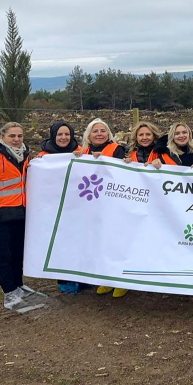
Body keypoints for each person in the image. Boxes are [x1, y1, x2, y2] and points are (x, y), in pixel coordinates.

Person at [0, 122, 47, 311]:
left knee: (18, 253)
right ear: (2, 136)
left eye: (19, 136)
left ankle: (18, 285)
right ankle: (9, 292)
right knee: (2, 255)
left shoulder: (25, 155)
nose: (16, 139)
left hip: (20, 214)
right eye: (12, 136)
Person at [77, 119, 130, 297]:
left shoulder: (117, 149)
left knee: (116, 241)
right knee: (99, 242)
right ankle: (106, 278)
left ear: (108, 134)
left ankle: (121, 279)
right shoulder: (82, 152)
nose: (99, 134)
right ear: (89, 135)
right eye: (95, 131)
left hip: (113, 202)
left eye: (103, 131)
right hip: (92, 205)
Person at [37, 121, 84, 294]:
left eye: (67, 134)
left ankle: (82, 277)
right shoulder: (43, 156)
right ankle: (63, 279)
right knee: (60, 244)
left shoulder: (81, 152)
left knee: (79, 242)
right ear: (53, 136)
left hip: (78, 206)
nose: (63, 138)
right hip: (55, 207)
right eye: (59, 134)